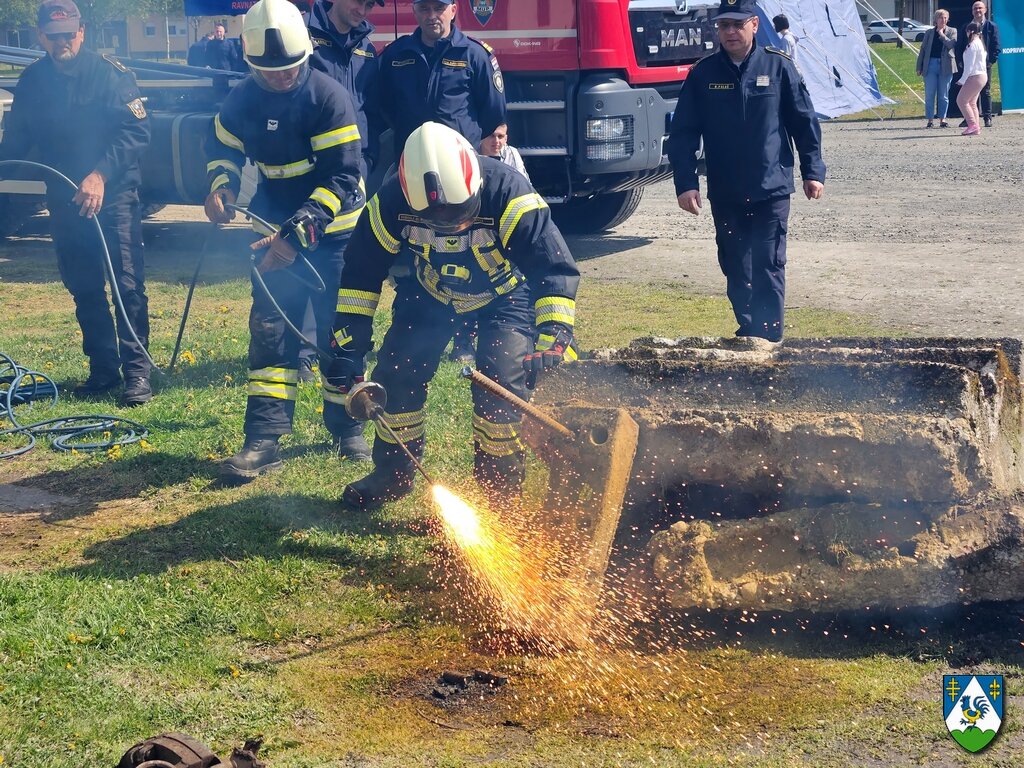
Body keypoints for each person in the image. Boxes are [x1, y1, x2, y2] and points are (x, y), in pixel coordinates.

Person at [334, 122, 579, 511]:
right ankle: (391, 475)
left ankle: (500, 496)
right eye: (437, 219)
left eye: (460, 213)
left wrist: (554, 332)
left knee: (500, 386)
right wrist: (349, 343)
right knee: (397, 374)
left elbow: (553, 269)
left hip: (505, 296)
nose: (452, 225)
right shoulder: (389, 203)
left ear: (474, 181)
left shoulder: (511, 193)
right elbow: (360, 275)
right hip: (430, 293)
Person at [204, 0, 370, 483]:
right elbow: (221, 146)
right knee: (272, 335)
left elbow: (343, 178)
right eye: (268, 71)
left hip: (334, 238)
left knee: (341, 334)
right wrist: (221, 186)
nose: (281, 78)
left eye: (290, 68)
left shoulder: (328, 97)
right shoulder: (242, 98)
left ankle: (347, 428)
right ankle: (264, 440)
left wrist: (295, 237)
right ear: (251, 63)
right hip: (273, 234)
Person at [0, 0, 153, 405]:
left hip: (113, 195)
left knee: (128, 286)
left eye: (69, 33)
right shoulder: (32, 82)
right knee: (83, 285)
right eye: (54, 35)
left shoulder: (111, 75)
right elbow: (17, 142)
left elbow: (136, 134)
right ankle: (103, 369)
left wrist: (99, 174)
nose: (62, 41)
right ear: (40, 36)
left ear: (82, 32)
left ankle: (137, 373)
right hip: (65, 200)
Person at [667, 0, 825, 343]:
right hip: (726, 189)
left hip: (771, 187)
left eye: (738, 25)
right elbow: (683, 134)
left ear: (754, 24)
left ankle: (769, 338)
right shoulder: (703, 74)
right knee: (736, 265)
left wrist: (813, 171)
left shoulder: (779, 66)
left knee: (768, 263)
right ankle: (749, 329)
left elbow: (804, 122)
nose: (730, 32)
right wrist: (685, 183)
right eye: (724, 25)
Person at [298, 0, 385, 383]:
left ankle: (337, 344)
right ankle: (303, 348)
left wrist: (367, 156)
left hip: (354, 170)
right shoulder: (303, 36)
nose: (363, 9)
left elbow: (374, 107)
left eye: (369, 4)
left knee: (344, 261)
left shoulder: (367, 47)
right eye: (358, 0)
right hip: (313, 166)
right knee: (304, 251)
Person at [378, 0, 506, 155]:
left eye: (439, 8)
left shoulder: (474, 54)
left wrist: (465, 136)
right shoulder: (396, 54)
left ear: (453, 11)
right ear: (414, 12)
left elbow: (493, 111)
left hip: (460, 158)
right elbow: (384, 105)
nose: (432, 16)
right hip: (411, 155)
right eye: (424, 9)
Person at [956, 2, 1000, 128]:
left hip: (984, 66)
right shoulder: (966, 27)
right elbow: (959, 45)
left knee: (985, 91)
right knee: (970, 97)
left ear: (985, 10)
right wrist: (960, 61)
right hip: (968, 65)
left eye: (980, 8)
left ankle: (987, 117)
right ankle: (969, 119)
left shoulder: (991, 26)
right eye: (975, 8)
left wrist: (991, 61)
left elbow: (996, 45)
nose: (977, 10)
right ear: (972, 11)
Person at [916, 10, 957, 128]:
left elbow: (951, 45)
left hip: (946, 65)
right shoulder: (928, 33)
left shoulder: (952, 31)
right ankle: (930, 120)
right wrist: (919, 67)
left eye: (945, 18)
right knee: (930, 94)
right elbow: (923, 50)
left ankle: (942, 119)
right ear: (935, 19)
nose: (943, 20)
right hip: (930, 65)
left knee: (943, 94)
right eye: (940, 18)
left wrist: (942, 34)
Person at [956, 22, 988, 136]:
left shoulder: (972, 45)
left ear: (970, 32)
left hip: (975, 76)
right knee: (972, 102)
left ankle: (972, 124)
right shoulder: (980, 43)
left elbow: (969, 66)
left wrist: (962, 80)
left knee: (961, 100)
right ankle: (976, 127)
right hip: (982, 75)